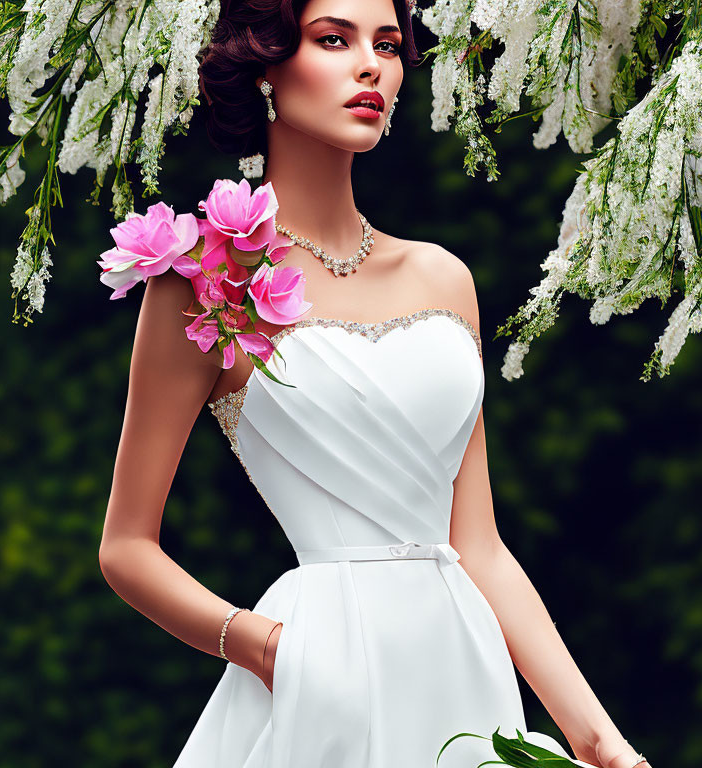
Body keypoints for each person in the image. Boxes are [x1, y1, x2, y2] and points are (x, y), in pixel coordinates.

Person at [98, 1, 654, 766]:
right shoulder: (207, 282)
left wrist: (600, 739)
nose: (371, 65)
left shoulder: (443, 277)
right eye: (335, 39)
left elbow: (479, 547)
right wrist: (268, 650)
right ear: (266, 64)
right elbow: (126, 547)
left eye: (388, 45)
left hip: (461, 661)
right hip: (320, 669)